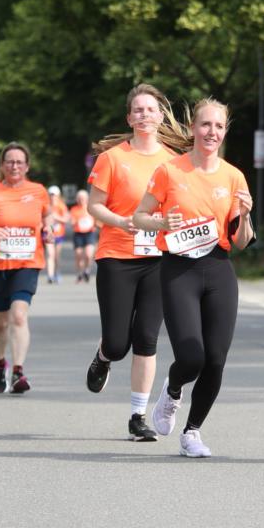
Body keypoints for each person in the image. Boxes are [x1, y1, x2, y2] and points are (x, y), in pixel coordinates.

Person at [134, 98, 254, 457]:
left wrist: (246, 216)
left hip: (218, 268)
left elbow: (241, 241)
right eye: (205, 125)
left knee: (216, 358)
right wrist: (159, 222)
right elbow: (140, 216)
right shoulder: (170, 171)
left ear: (224, 132)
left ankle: (192, 432)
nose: (211, 132)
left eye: (218, 126)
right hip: (178, 269)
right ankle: (172, 390)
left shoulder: (234, 176)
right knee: (192, 355)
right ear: (193, 129)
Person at [86, 83, 180, 441]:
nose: (144, 115)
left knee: (147, 338)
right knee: (117, 341)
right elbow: (93, 205)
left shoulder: (173, 161)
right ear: (129, 117)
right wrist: (119, 221)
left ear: (160, 116)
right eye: (138, 110)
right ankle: (104, 355)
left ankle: (137, 416)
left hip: (158, 258)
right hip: (117, 255)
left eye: (150, 109)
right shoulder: (113, 158)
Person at [0, 143, 51, 394]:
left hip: (27, 263)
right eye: (9, 161)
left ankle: (18, 371)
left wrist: (48, 229)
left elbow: (47, 216)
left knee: (18, 316)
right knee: (1, 321)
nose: (14, 166)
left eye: (19, 162)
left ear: (27, 166)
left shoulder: (38, 191)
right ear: (2, 165)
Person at [69, 189, 96, 282]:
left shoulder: (91, 208)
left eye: (83, 198)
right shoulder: (74, 209)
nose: (81, 200)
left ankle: (87, 270)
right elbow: (71, 222)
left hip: (89, 233)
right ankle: (79, 273)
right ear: (77, 199)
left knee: (89, 254)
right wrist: (79, 220)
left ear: (87, 199)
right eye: (79, 198)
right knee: (79, 255)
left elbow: (97, 221)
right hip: (78, 234)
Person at [46, 186, 68, 284]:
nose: (52, 197)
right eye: (51, 195)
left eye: (54, 195)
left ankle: (57, 273)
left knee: (56, 256)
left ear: (58, 195)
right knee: (50, 254)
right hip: (47, 234)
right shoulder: (46, 205)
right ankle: (50, 275)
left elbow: (66, 219)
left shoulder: (61, 206)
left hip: (59, 234)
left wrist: (56, 217)